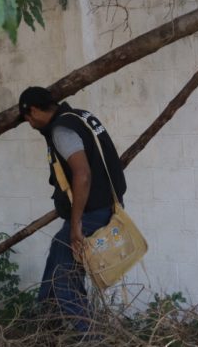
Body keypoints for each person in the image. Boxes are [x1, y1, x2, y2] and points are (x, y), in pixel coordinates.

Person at [19, 86, 126, 332]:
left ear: (33, 110)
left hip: (93, 212)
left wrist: (76, 223)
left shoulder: (62, 130)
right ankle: (45, 324)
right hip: (108, 203)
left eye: (27, 117)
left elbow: (83, 174)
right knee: (59, 252)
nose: (29, 123)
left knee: (64, 276)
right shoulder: (81, 117)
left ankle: (90, 341)